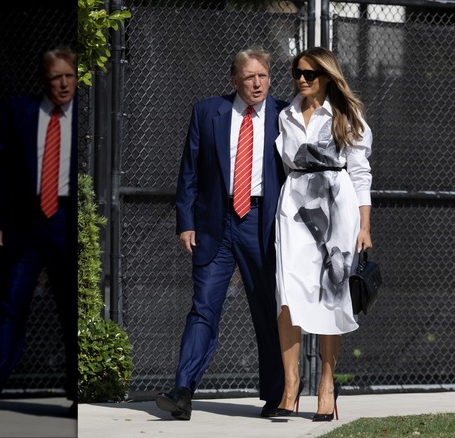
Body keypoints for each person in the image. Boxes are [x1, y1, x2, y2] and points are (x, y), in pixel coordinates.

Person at [156, 47, 287, 421]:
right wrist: (186, 222)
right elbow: (189, 172)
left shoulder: (284, 114)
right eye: (249, 77)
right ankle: (183, 390)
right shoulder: (206, 111)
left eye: (263, 75)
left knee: (267, 311)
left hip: (261, 224)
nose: (257, 83)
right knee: (202, 308)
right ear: (234, 80)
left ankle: (276, 396)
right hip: (215, 223)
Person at [0, 46, 78, 420]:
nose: (63, 84)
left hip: (66, 220)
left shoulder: (86, 117)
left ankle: (78, 394)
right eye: (56, 77)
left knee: (70, 310)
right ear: (43, 80)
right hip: (25, 222)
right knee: (11, 307)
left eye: (69, 76)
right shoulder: (19, 113)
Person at [269, 47, 373, 422]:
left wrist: (364, 225)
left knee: (332, 293)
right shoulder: (286, 115)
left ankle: (327, 385)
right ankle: (291, 385)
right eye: (297, 71)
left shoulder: (346, 114)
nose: (301, 79)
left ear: (327, 76)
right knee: (288, 295)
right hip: (294, 209)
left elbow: (361, 173)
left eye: (310, 74)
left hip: (338, 209)